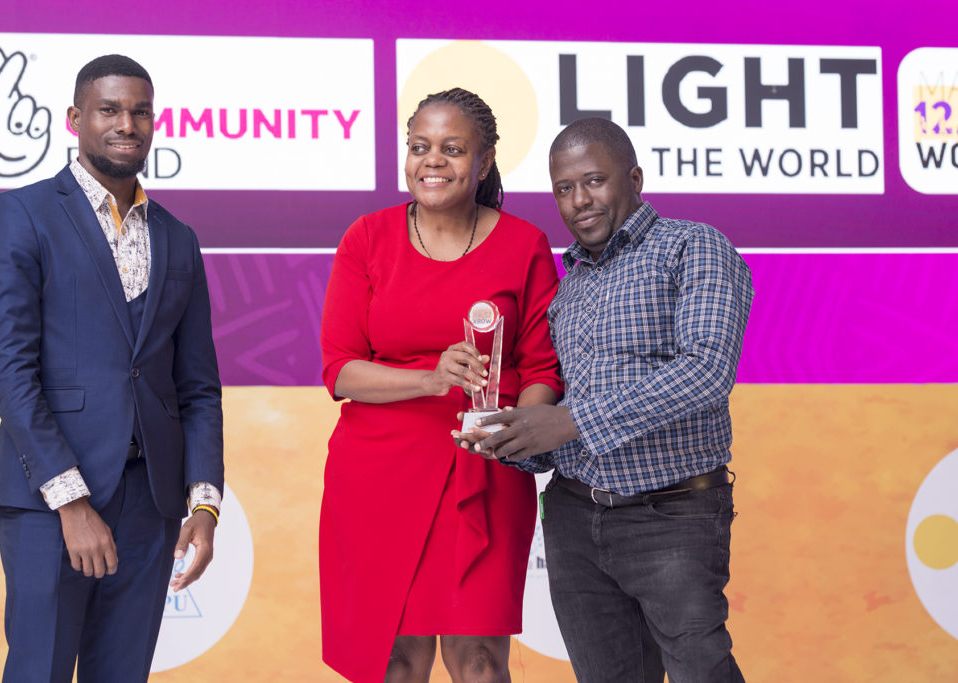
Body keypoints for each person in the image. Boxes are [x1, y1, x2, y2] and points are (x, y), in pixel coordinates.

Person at [465, 117, 753, 682]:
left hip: (671, 514)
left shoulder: (693, 247)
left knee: (702, 672)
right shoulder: (567, 285)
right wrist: (509, 437)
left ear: (635, 177)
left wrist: (569, 421)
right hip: (573, 520)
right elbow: (556, 425)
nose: (578, 201)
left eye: (593, 181)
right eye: (563, 189)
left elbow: (706, 371)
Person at [0, 54, 224, 683]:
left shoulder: (178, 237)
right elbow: (9, 369)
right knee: (40, 671)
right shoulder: (21, 213)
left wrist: (203, 503)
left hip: (151, 505)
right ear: (75, 119)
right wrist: (70, 500)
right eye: (109, 109)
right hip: (51, 503)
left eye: (139, 111)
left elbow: (195, 388)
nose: (126, 123)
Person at [319, 88, 562, 683]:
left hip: (483, 473)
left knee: (479, 661)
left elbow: (543, 371)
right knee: (394, 661)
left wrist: (517, 431)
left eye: (452, 149)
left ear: (484, 161)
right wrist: (430, 380)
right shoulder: (367, 238)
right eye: (419, 147)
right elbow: (340, 368)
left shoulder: (524, 245)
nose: (433, 161)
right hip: (378, 476)